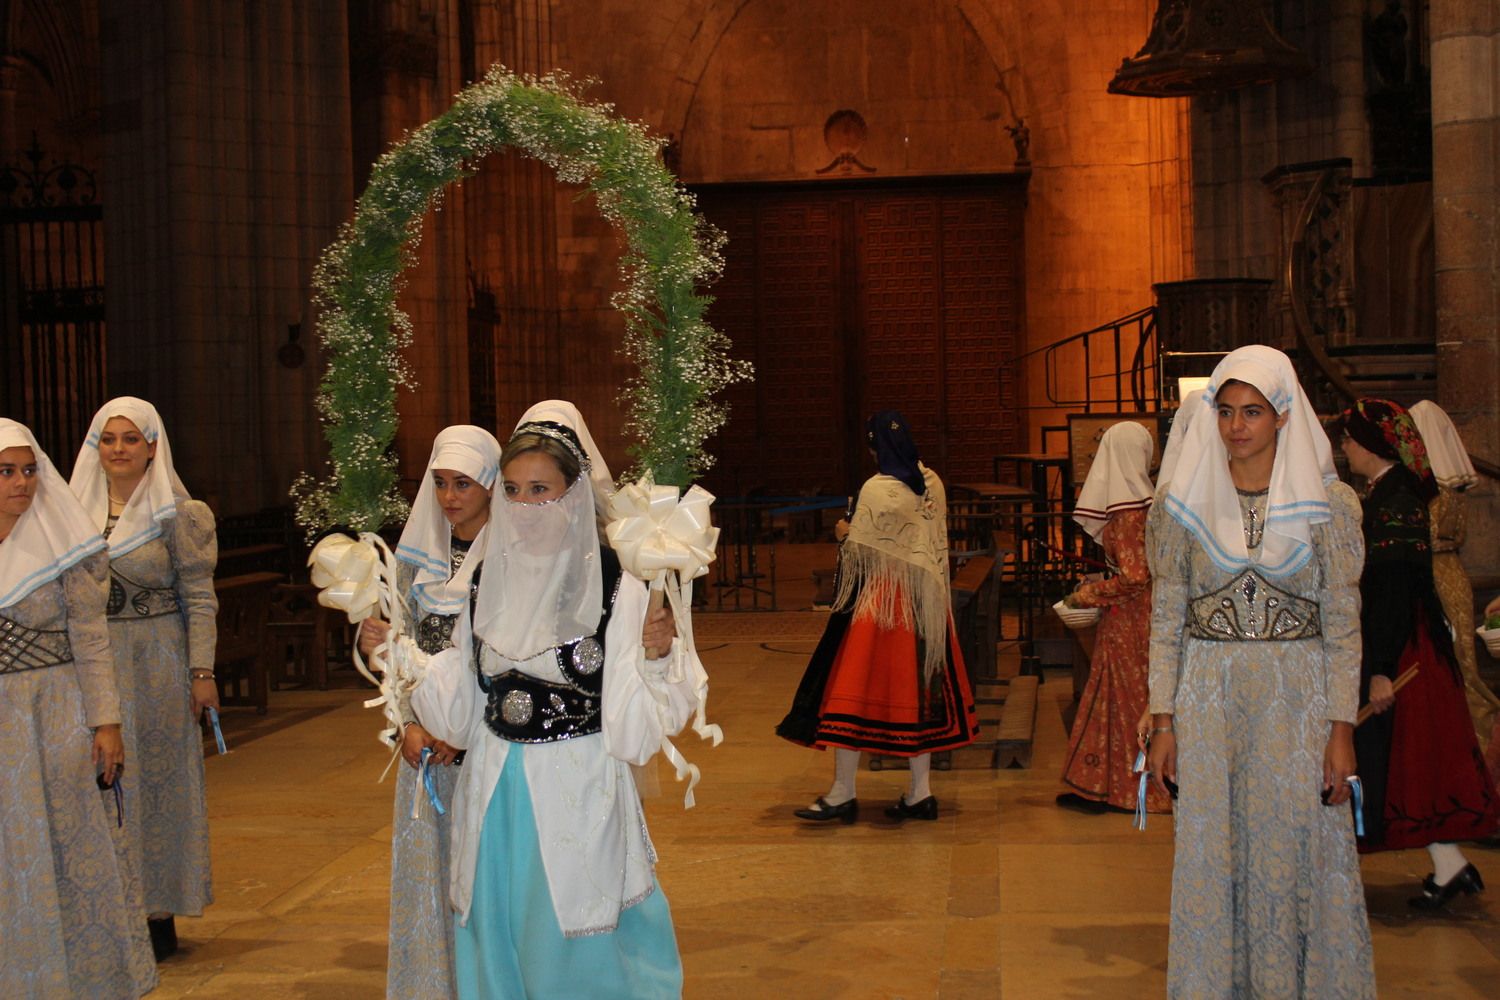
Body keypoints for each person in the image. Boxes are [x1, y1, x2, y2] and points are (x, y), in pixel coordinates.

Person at [411, 401, 696, 1000]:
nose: (526, 504)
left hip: (577, 785)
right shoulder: (486, 578)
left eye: (542, 488)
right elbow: (460, 715)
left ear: (574, 494)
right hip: (493, 789)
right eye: (513, 490)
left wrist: (656, 655)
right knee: (496, 928)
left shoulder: (619, 583)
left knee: (569, 938)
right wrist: (402, 661)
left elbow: (637, 734)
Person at [1146, 346, 1374, 997]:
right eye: (1224, 411)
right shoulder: (1183, 506)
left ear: (1281, 416)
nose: (1236, 426)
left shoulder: (1329, 506)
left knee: (1291, 858)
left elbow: (1344, 624)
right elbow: (1166, 619)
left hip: (1297, 704)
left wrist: (1341, 729)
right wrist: (1163, 721)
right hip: (1208, 700)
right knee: (1213, 859)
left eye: (1252, 411)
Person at [0, 418, 157, 996]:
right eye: (6, 471)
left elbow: (92, 640)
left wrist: (106, 722)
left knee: (68, 846)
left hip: (55, 713)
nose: (22, 482)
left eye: (29, 470)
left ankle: (83, 977)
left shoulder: (64, 547)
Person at [70, 397, 218, 960]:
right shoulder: (70, 513)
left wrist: (200, 671)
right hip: (94, 664)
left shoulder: (179, 514)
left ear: (153, 446)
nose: (119, 450)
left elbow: (199, 598)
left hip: (158, 663)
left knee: (156, 785)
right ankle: (103, 910)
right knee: (93, 784)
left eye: (131, 439)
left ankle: (155, 912)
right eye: (109, 439)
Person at [355, 425, 501, 1000]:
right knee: (431, 876)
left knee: (487, 879)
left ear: (491, 485)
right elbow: (401, 659)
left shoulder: (511, 559)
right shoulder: (416, 564)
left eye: (463, 483)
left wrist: (467, 734)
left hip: (489, 747)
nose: (449, 497)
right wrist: (406, 726)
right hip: (425, 751)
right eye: (439, 483)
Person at [777, 410, 978, 823]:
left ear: (876, 448)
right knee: (918, 697)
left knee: (849, 691)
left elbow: (859, 546)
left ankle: (841, 792)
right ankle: (920, 793)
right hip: (926, 605)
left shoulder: (876, 487)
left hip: (883, 605)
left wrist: (842, 532)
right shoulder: (932, 482)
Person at [1337, 398, 1499, 908]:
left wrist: (1382, 669)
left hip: (1403, 649)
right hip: (1403, 643)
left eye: (1348, 439)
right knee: (1409, 763)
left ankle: (1443, 866)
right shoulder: (1390, 493)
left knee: (1401, 759)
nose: (1344, 448)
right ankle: (1450, 866)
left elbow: (1395, 588)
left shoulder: (1397, 501)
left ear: (1369, 445)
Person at [1056, 421, 1168, 815]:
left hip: (1131, 620)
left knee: (1129, 701)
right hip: (1142, 616)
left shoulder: (1127, 512)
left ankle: (1135, 788)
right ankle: (1103, 783)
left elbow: (1136, 576)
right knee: (1119, 699)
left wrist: (1089, 593)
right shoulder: (1147, 503)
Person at [1408, 400, 1500, 782]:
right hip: (1453, 573)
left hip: (1434, 575)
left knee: (1459, 668)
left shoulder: (1434, 490)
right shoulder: (1456, 486)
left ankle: (1476, 764)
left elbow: (1424, 535)